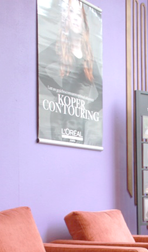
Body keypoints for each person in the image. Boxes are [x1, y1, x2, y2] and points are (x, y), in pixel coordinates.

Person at [38, 0, 103, 145]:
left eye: (79, 15)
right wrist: (57, 91)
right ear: (66, 18)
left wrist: (89, 109)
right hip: (61, 117)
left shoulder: (89, 59)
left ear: (83, 21)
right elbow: (40, 67)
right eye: (71, 12)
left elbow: (102, 91)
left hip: (81, 119)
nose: (75, 18)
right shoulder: (60, 48)